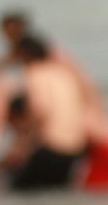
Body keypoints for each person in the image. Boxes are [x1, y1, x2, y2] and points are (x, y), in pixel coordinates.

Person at [0, 10, 108, 190]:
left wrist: (26, 144)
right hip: (98, 144)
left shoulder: (39, 68)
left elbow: (42, 109)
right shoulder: (57, 71)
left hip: (85, 145)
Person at [7, 35, 88, 191]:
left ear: (24, 53)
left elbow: (40, 112)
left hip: (52, 147)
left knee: (17, 192)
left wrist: (24, 145)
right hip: (76, 148)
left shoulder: (34, 73)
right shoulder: (63, 73)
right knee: (55, 195)